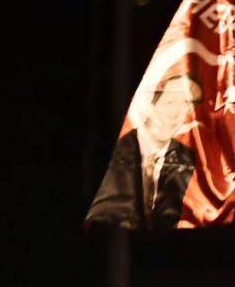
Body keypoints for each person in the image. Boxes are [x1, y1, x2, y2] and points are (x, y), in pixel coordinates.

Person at [86, 72, 202, 229]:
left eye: (186, 106)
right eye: (169, 103)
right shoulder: (113, 150)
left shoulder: (190, 160)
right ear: (149, 105)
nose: (175, 115)